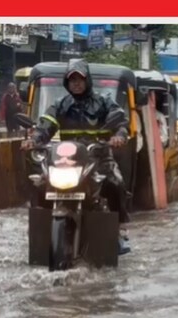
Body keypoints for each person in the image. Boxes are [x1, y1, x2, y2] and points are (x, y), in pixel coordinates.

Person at [21, 59, 132, 255]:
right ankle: (39, 231)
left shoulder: (104, 102)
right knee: (38, 184)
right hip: (69, 160)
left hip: (98, 157)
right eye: (71, 80)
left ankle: (119, 228)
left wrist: (118, 136)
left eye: (79, 79)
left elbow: (120, 122)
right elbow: (45, 126)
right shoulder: (60, 105)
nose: (76, 84)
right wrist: (35, 139)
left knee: (116, 183)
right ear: (66, 83)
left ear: (87, 80)